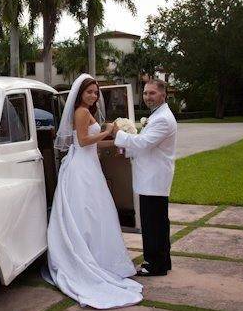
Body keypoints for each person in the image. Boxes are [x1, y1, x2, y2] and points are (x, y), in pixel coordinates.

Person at [44, 73, 143, 308]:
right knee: (87, 212)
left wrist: (119, 138)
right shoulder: (81, 112)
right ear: (80, 94)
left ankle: (101, 258)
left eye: (96, 92)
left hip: (89, 165)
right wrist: (109, 131)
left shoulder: (87, 112)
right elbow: (84, 142)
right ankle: (88, 259)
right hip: (81, 168)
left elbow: (92, 142)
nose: (93, 95)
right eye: (89, 91)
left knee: (96, 213)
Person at [112, 79, 177, 277]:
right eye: (146, 93)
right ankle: (162, 261)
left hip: (154, 178)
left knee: (153, 223)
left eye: (152, 93)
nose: (148, 97)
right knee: (156, 222)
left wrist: (119, 134)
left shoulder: (163, 119)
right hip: (151, 176)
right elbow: (144, 146)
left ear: (163, 95)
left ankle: (155, 265)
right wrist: (125, 149)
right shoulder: (157, 115)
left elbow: (144, 142)